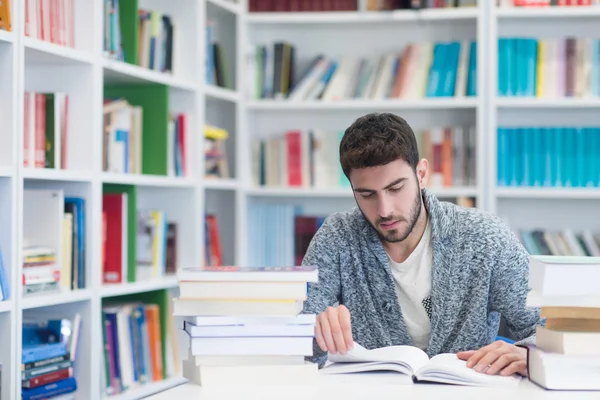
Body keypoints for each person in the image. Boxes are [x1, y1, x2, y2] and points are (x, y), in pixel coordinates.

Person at [301, 112, 543, 377]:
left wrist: (528, 353)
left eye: (396, 188)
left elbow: (548, 330)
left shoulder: (485, 238)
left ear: (422, 174)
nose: (385, 210)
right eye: (367, 195)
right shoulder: (336, 239)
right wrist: (315, 331)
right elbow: (297, 347)